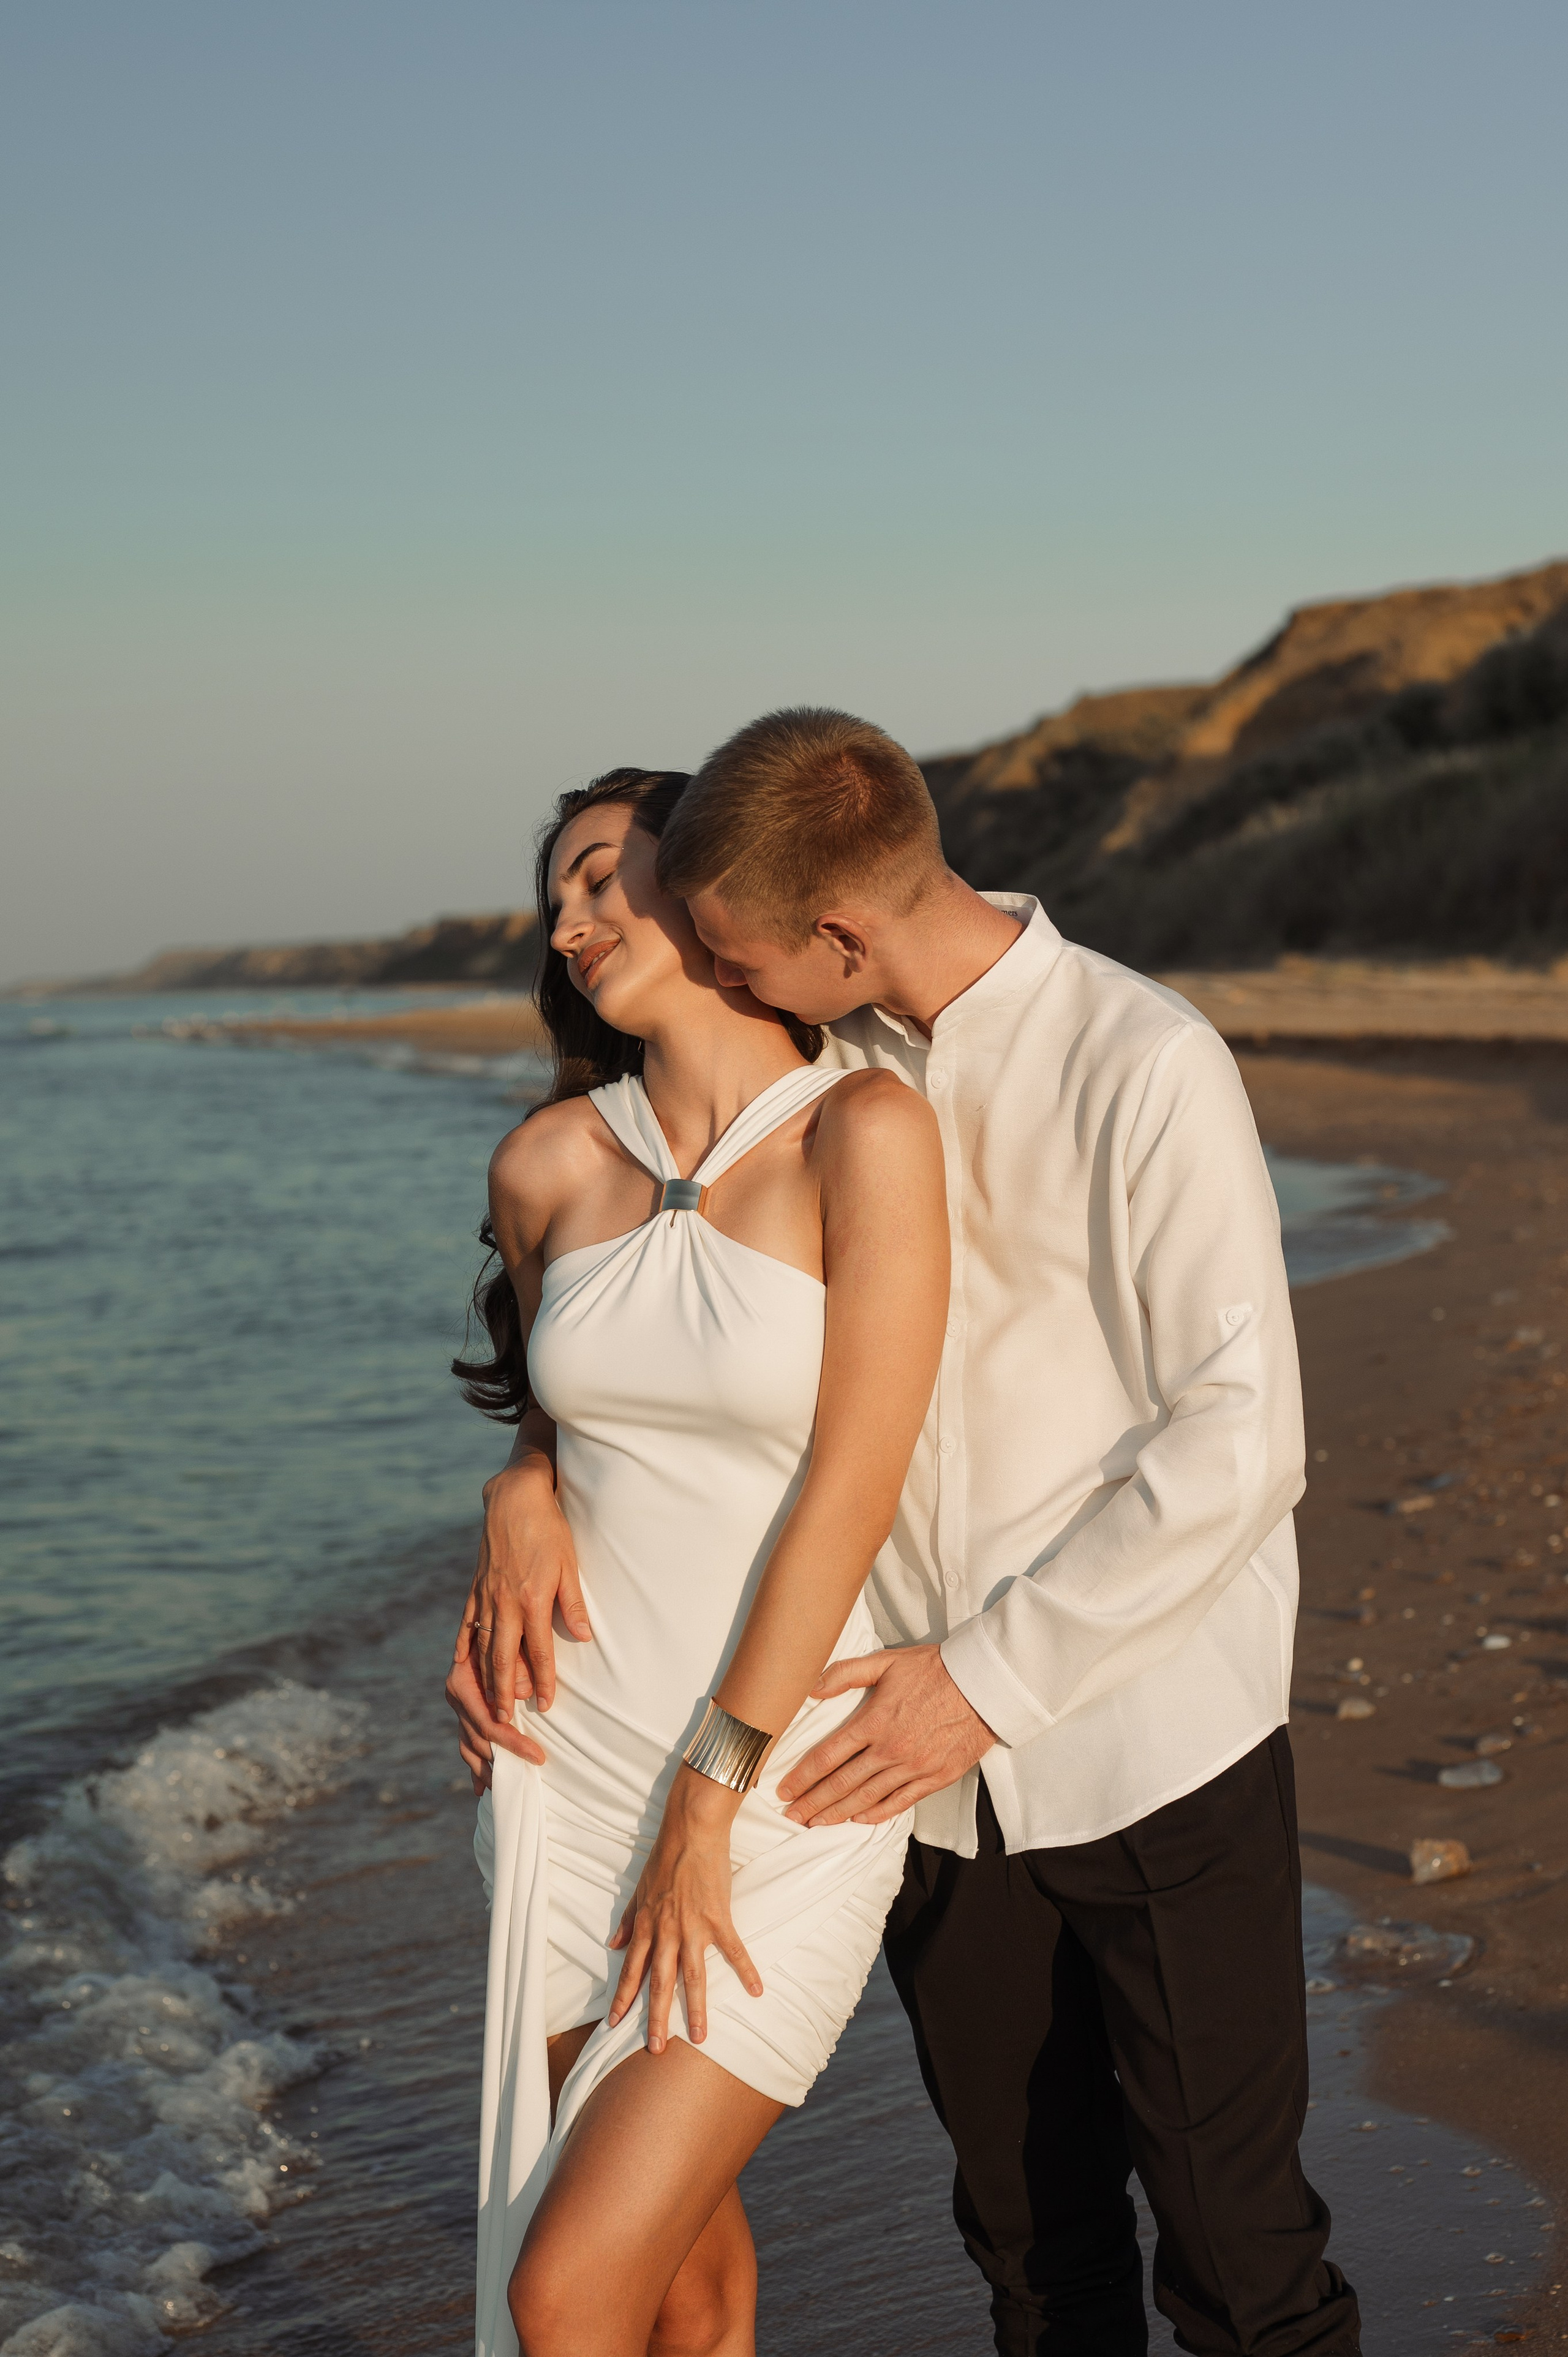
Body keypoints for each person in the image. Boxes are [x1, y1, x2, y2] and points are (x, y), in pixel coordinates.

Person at [452, 711, 1363, 2356]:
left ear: (831, 933)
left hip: (1145, 1737)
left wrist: (985, 1681)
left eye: (731, 943)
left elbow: (1241, 1443)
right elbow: (660, 1366)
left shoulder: (1140, 1058)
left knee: (1238, 2252)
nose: (717, 969)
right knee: (1032, 2253)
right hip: (901, 1775)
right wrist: (528, 1475)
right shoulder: (831, 1061)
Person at [447, 766, 948, 2357]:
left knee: (562, 2292)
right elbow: (578, 1411)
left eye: (603, 876)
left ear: (714, 886)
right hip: (566, 1767)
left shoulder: (865, 1132)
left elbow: (856, 1483)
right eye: (557, 898)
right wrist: (521, 1478)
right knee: (679, 2287)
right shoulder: (545, 1167)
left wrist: (713, 1797)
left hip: (777, 1788)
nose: (570, 920)